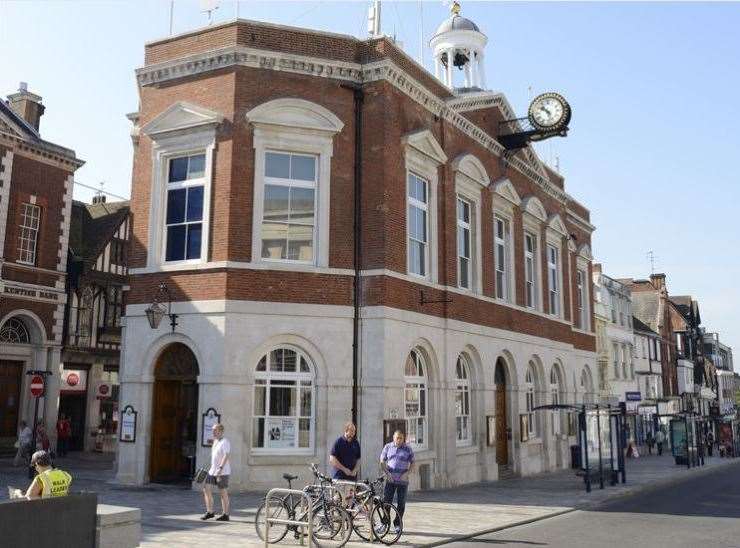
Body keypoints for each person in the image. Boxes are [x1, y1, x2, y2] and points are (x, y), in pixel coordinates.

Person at [380, 430, 414, 534]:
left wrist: (407, 474)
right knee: (386, 503)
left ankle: (397, 524)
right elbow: (382, 461)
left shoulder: (408, 449)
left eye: (401, 438)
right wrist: (387, 473)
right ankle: (385, 524)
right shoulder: (388, 447)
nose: (399, 440)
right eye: (397, 438)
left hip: (402, 482)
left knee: (401, 504)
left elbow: (413, 463)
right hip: (390, 480)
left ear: (403, 439)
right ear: (393, 438)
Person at [201, 423, 230, 522]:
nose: (213, 432)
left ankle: (225, 514)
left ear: (221, 431)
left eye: (215, 430)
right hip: (212, 470)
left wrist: (220, 468)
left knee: (223, 492)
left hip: (222, 471)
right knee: (206, 489)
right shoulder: (215, 441)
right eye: (212, 430)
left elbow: (226, 456)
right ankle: (210, 512)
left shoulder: (225, 442)